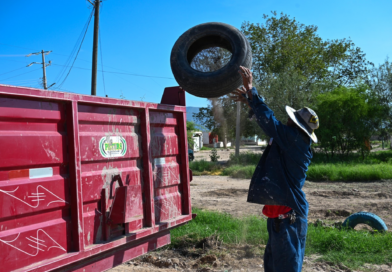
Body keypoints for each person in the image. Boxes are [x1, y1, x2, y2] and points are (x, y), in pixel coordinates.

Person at [230, 66, 320, 272]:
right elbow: (269, 126)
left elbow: (270, 123)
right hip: (281, 217)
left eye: (291, 119)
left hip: (288, 216)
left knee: (286, 267)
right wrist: (252, 103)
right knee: (273, 265)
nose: (287, 120)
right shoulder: (292, 140)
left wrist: (251, 89)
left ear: (295, 124)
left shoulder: (294, 139)